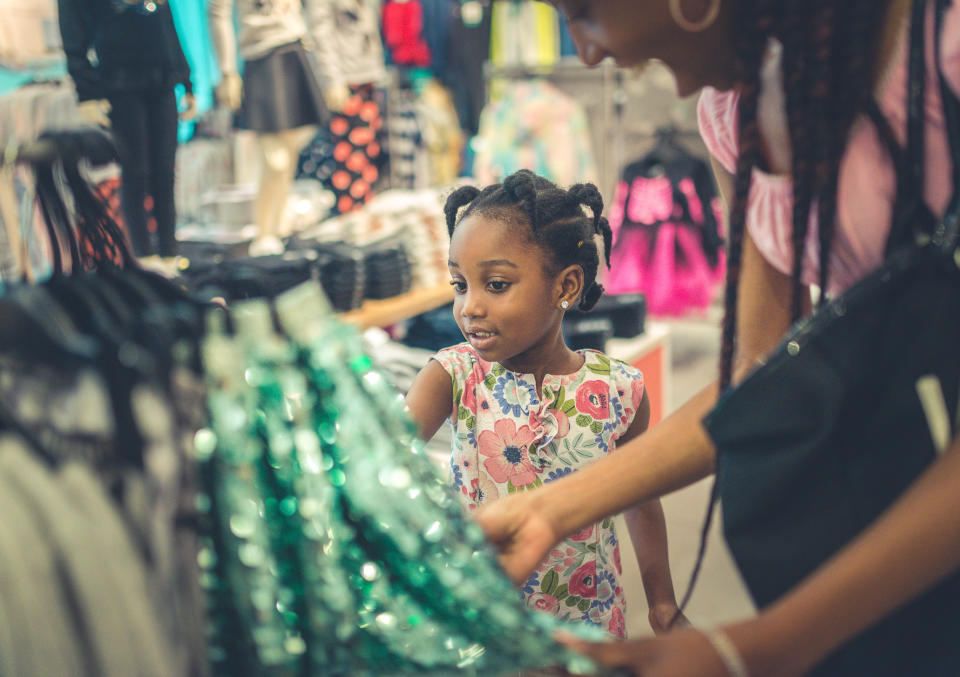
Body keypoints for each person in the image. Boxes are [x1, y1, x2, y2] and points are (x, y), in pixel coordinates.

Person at [474, 1, 960, 675]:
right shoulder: (735, 114)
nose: (584, 53)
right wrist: (549, 508)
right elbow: (755, 380)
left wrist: (752, 648)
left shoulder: (943, 56)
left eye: (583, 14)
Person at [404, 169, 687, 645]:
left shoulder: (618, 389)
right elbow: (384, 456)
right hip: (483, 627)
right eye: (459, 284)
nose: (469, 307)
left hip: (588, 624)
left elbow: (640, 497)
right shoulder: (452, 376)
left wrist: (662, 602)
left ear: (566, 286)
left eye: (495, 284)